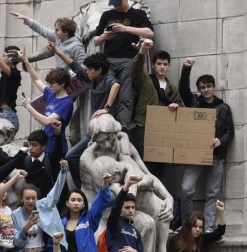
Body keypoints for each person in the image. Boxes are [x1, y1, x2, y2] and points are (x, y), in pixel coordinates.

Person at [47, 43, 120, 190]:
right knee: (71, 157)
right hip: (92, 132)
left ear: (99, 70)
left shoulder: (107, 80)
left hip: (106, 132)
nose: (87, 71)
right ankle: (82, 189)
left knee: (75, 157)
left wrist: (106, 108)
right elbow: (74, 66)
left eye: (90, 69)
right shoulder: (92, 80)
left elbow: (116, 85)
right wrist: (56, 51)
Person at [177, 58, 234, 231]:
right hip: (195, 155)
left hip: (216, 156)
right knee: (186, 189)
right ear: (199, 89)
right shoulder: (194, 102)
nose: (206, 89)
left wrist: (221, 140)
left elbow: (230, 132)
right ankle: (187, 225)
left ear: (214, 87)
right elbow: (183, 89)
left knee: (212, 193)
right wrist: (186, 69)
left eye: (209, 86)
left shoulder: (223, 108)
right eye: (202, 87)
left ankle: (208, 227)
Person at [93, 0, 154, 130]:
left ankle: (122, 128)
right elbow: (96, 41)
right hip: (108, 60)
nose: (116, 6)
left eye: (118, 3)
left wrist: (125, 28)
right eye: (114, 4)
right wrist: (103, 36)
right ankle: (105, 127)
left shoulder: (137, 14)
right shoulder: (107, 15)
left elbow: (150, 33)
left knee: (126, 96)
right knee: (106, 94)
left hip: (129, 59)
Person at [129, 40, 183, 167]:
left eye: (165, 64)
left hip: (163, 131)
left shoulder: (172, 89)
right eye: (159, 64)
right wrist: (142, 52)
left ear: (169, 66)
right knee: (143, 167)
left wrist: (176, 106)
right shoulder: (145, 80)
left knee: (159, 167)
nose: (162, 67)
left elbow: (181, 108)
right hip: (144, 127)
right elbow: (135, 70)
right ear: (153, 65)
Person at [19, 49, 73, 156]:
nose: (50, 86)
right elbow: (36, 79)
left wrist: (28, 107)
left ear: (62, 83)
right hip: (45, 144)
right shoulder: (51, 93)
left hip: (55, 147)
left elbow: (47, 121)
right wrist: (25, 60)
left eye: (53, 83)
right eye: (49, 83)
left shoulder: (67, 103)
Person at [10, 13, 86, 69]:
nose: (55, 32)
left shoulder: (76, 46)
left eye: (57, 30)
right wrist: (26, 19)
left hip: (70, 83)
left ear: (65, 32)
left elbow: (84, 67)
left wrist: (69, 77)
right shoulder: (59, 39)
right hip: (60, 81)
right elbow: (42, 30)